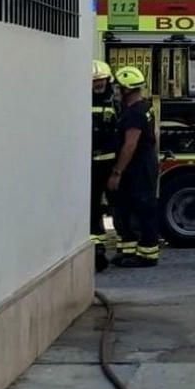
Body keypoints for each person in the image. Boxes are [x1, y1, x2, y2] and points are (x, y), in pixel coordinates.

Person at [105, 66, 163, 268]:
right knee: (127, 209)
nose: (116, 91)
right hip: (143, 164)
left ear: (127, 90)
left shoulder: (134, 114)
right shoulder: (145, 107)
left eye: (119, 88)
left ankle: (147, 255)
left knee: (142, 209)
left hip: (137, 167)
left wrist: (117, 172)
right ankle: (129, 251)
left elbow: (130, 145)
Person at [89, 61, 118, 273]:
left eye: (101, 81)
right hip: (89, 165)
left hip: (110, 164)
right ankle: (96, 251)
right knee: (92, 209)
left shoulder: (115, 103)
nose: (98, 85)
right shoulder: (80, 101)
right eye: (94, 82)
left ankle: (128, 249)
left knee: (120, 207)